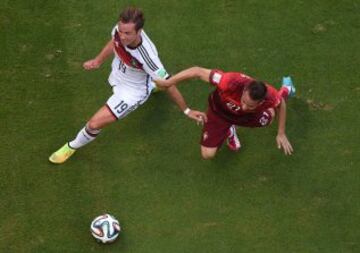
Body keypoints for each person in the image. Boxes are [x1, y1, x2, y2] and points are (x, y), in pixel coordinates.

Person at [49, 7, 205, 164]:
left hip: (131, 92)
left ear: (139, 32)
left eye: (127, 33)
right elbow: (114, 42)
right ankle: (152, 85)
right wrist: (98, 61)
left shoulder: (148, 57)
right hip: (119, 74)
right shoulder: (119, 30)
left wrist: (187, 110)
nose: (122, 36)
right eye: (121, 31)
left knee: (94, 124)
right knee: (155, 80)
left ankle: (71, 146)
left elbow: (169, 84)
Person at [155, 66, 296, 159]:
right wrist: (169, 82)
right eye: (244, 101)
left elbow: (280, 104)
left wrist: (281, 132)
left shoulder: (269, 97)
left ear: (260, 102)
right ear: (244, 90)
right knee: (207, 154)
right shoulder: (229, 81)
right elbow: (197, 71)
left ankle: (285, 90)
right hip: (219, 112)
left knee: (269, 119)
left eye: (251, 105)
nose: (245, 106)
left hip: (248, 118)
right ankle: (229, 129)